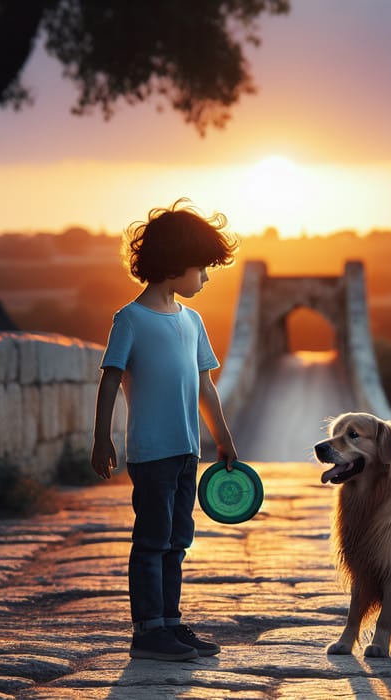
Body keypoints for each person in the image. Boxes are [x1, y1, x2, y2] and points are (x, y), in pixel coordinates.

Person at [91, 198, 239, 662]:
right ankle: (147, 631)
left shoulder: (193, 321)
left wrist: (223, 438)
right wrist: (101, 438)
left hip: (187, 451)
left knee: (178, 540)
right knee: (152, 539)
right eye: (202, 268)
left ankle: (170, 624)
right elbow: (110, 377)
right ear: (176, 267)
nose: (207, 277)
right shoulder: (129, 319)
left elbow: (205, 387)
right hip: (151, 453)